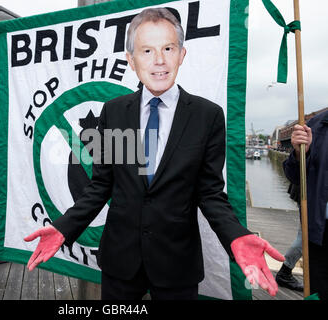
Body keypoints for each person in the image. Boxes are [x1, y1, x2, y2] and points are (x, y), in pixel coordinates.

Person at [23, 8, 285, 300]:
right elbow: (100, 186)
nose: (159, 60)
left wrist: (236, 235)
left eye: (168, 48)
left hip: (177, 264)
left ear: (181, 55)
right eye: (147, 50)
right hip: (120, 263)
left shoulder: (207, 116)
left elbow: (210, 193)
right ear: (131, 60)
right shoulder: (113, 112)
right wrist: (64, 228)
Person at [283, 109, 328, 300]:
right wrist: (299, 152)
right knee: (319, 292)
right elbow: (294, 176)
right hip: (321, 232)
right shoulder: (315, 126)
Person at [275, 183, 303, 291]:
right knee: (304, 237)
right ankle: (284, 273)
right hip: (312, 194)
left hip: (315, 193)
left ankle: (285, 272)